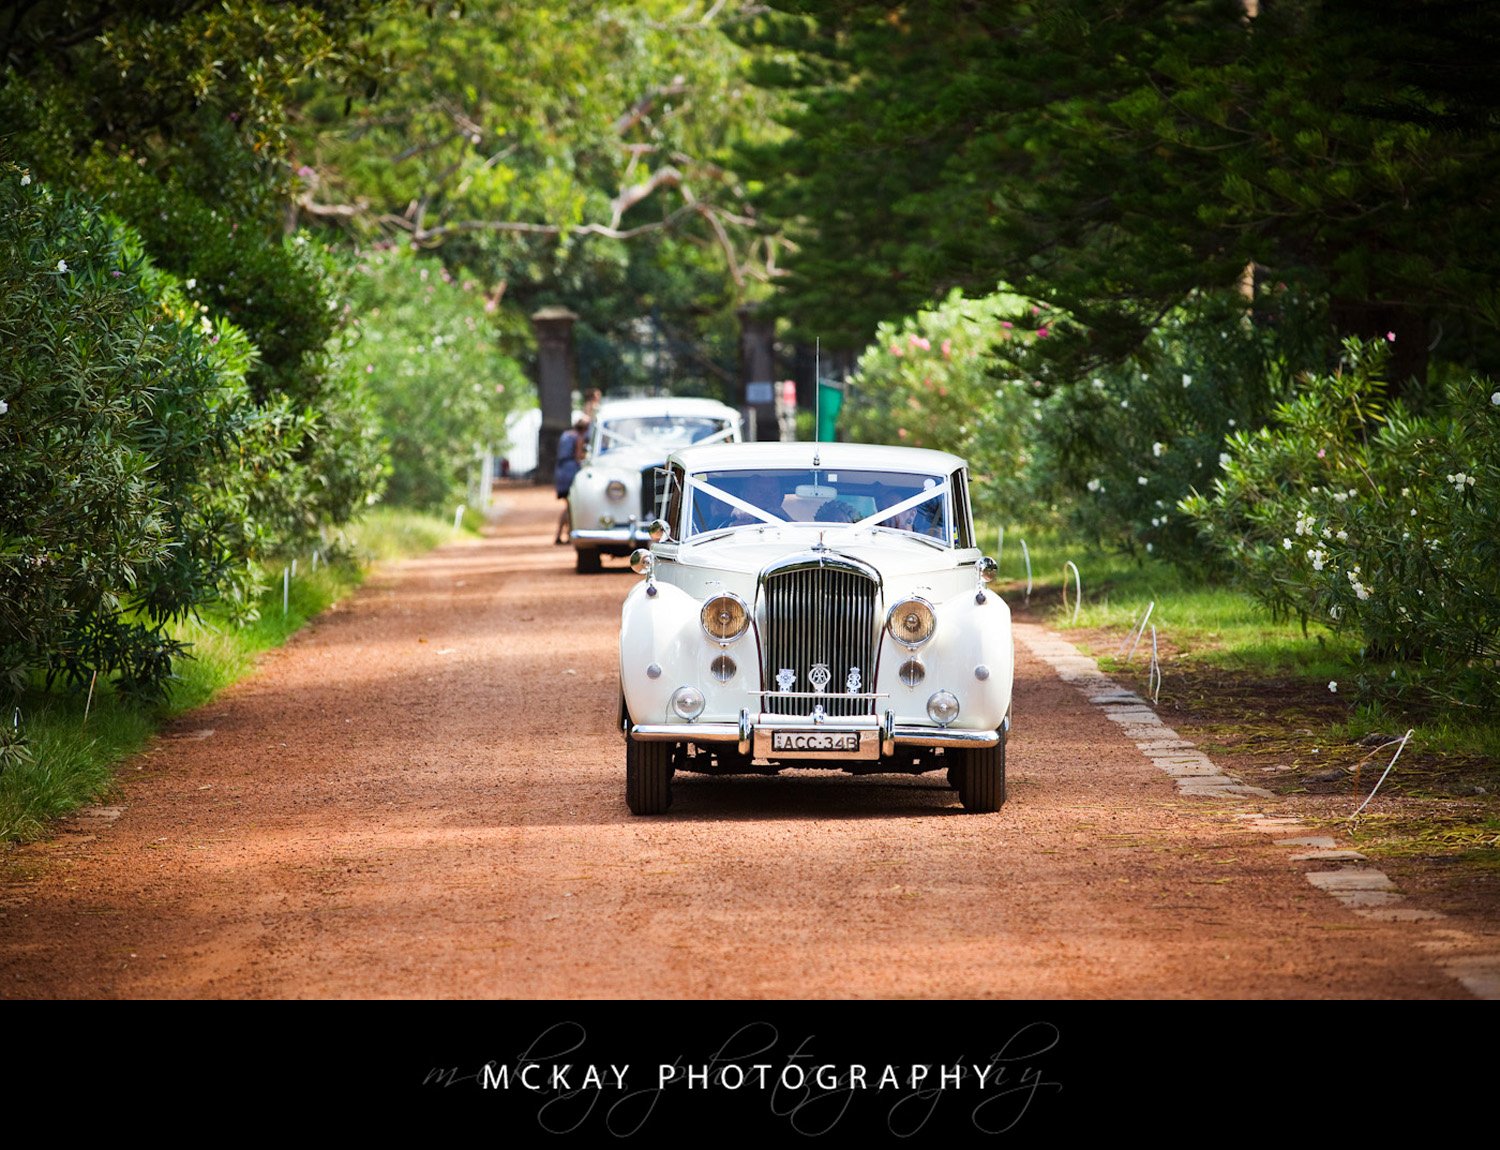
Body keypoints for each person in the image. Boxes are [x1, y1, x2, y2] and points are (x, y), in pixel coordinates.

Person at [554, 416, 589, 544]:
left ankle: (560, 534)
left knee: (568, 505)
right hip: (571, 472)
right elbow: (578, 456)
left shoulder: (565, 435)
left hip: (561, 471)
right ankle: (567, 535)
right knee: (570, 506)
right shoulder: (578, 438)